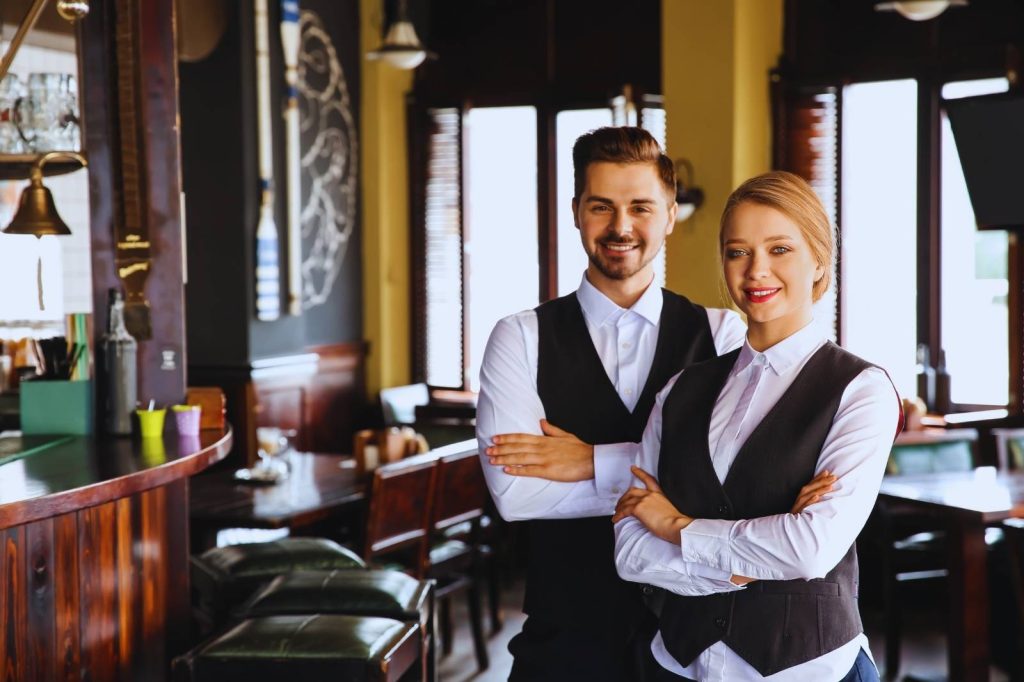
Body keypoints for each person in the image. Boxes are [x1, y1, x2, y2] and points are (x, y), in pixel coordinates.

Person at [474, 126, 749, 681]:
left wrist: (590, 462)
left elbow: (735, 479)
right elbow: (514, 494)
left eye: (641, 207)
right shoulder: (519, 337)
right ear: (576, 211)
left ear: (671, 214)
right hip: (564, 638)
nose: (621, 227)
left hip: (696, 641)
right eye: (602, 206)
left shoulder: (721, 334)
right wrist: (668, 475)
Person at [612, 171, 902, 681]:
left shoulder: (862, 390)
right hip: (678, 665)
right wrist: (750, 560)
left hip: (810, 670)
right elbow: (631, 551)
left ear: (819, 259)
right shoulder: (678, 391)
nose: (756, 271)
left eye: (780, 249)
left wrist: (678, 527)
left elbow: (811, 547)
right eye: (738, 251)